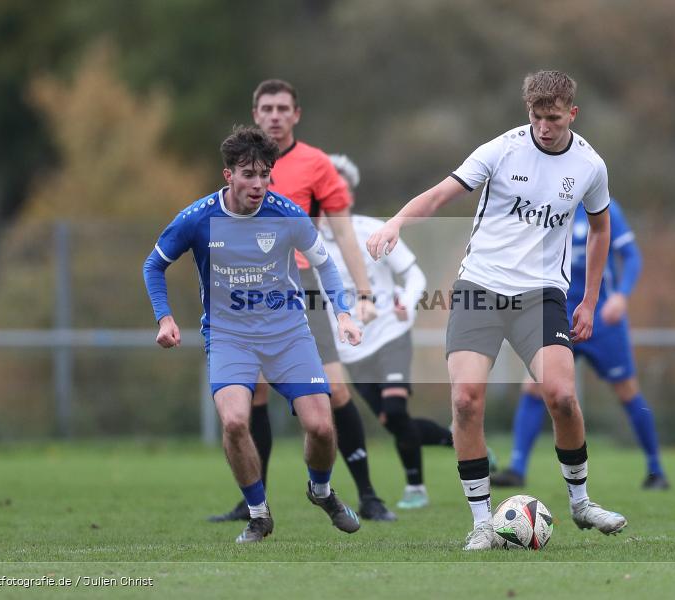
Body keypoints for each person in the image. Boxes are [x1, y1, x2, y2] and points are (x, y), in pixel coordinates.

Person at [366, 70, 628, 550]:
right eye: (536, 116)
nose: (544, 127)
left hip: (543, 294)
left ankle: (581, 502)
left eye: (553, 117)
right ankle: (483, 522)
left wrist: (589, 300)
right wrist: (397, 221)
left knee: (562, 396)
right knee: (465, 399)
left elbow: (600, 229)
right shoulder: (502, 149)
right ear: (527, 112)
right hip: (480, 287)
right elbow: (442, 194)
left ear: (572, 113)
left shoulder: (591, 166)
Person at [143, 125, 363, 543]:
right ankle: (259, 515)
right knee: (235, 421)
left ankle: (321, 491)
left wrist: (344, 314)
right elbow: (153, 265)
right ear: (228, 175)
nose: (258, 183)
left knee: (320, 426)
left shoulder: (287, 214)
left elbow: (325, 264)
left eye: (265, 174)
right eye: (249, 174)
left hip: (287, 334)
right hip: (229, 337)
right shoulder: (198, 218)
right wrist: (164, 318)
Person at [209, 79, 395, 523]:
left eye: (283, 108)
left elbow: (343, 231)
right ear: (256, 114)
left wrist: (361, 292)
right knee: (248, 394)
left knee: (334, 390)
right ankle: (253, 501)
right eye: (267, 108)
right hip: (246, 291)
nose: (274, 115)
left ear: (297, 114)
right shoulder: (242, 164)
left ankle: (368, 493)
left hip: (302, 287)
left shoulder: (316, 165)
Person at [492, 199, 669, 490]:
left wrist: (621, 295)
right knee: (535, 386)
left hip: (602, 320)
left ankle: (655, 470)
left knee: (627, 391)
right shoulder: (545, 207)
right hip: (556, 315)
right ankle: (517, 469)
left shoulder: (607, 210)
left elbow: (632, 256)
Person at [323, 153, 459, 510]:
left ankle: (416, 488)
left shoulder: (373, 230)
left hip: (390, 332)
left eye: (340, 189)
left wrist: (408, 302)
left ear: (349, 194)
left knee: (396, 411)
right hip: (350, 348)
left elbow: (415, 276)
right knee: (391, 420)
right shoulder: (307, 243)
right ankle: (461, 439)